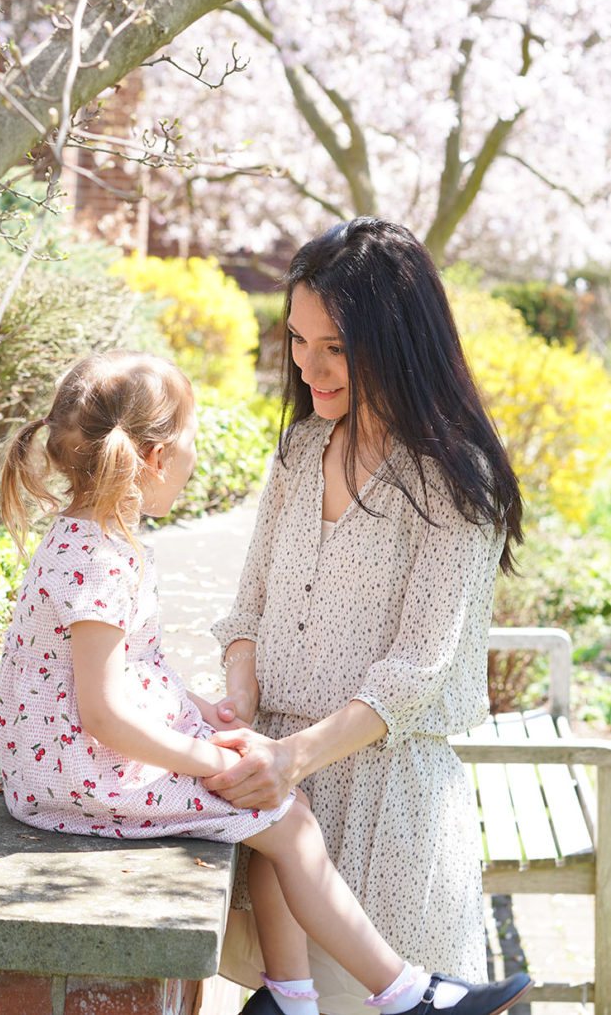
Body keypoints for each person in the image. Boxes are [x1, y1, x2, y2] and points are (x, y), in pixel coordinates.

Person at [0, 349, 530, 1015]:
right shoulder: (102, 558)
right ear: (156, 458)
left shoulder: (88, 538)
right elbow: (103, 713)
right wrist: (204, 757)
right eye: (191, 440)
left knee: (280, 807)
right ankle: (402, 992)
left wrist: (199, 709)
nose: (196, 456)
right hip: (77, 776)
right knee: (284, 817)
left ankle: (290, 996)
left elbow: (124, 671)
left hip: (62, 766)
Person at [208, 218, 526, 1015]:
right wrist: (241, 704)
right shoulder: (298, 454)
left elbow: (416, 671)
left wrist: (292, 758)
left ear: (398, 340)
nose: (308, 366)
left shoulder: (455, 478)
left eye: (337, 347)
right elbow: (245, 609)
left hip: (388, 810)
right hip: (282, 813)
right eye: (296, 340)